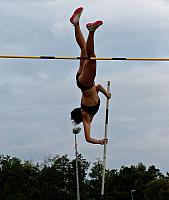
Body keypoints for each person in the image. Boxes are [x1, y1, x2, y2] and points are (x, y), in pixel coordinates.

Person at [70, 7, 111, 145]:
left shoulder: (86, 116)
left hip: (86, 83)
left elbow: (87, 138)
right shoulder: (87, 112)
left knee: (92, 58)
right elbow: (98, 87)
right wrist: (107, 94)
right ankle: (75, 23)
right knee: (84, 49)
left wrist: (99, 142)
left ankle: (91, 32)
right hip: (83, 81)